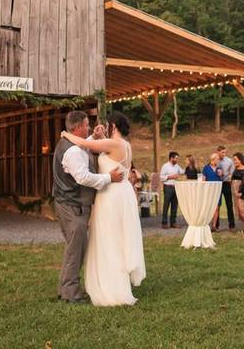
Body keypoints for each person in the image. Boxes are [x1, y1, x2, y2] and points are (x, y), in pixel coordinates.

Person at [62, 111, 146, 306]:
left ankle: (112, 288)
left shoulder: (113, 144)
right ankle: (116, 283)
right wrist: (100, 136)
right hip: (121, 193)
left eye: (108, 125)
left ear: (113, 126)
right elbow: (101, 148)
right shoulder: (124, 145)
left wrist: (66, 134)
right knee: (117, 238)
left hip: (111, 195)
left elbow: (83, 144)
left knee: (109, 239)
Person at [51, 110, 126, 304]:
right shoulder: (73, 151)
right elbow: (83, 177)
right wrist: (110, 178)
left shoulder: (73, 144)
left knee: (76, 247)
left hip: (69, 203)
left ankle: (66, 288)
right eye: (86, 125)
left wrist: (94, 137)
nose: (89, 127)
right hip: (72, 205)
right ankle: (70, 293)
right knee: (75, 249)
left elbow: (85, 146)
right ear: (77, 128)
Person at [159, 151, 183, 229]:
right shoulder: (165, 166)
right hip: (168, 187)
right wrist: (171, 177)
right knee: (166, 205)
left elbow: (182, 172)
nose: (177, 160)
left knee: (174, 205)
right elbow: (161, 177)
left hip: (175, 187)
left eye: (177, 158)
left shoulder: (177, 166)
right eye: (176, 158)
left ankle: (173, 223)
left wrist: (189, 165)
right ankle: (164, 223)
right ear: (171, 158)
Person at [215, 145, 236, 231]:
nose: (224, 154)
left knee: (229, 204)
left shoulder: (229, 161)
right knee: (217, 206)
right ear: (218, 152)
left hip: (226, 184)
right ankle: (216, 225)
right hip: (217, 184)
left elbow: (231, 173)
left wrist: (230, 179)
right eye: (222, 152)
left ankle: (231, 225)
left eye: (225, 152)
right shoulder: (214, 160)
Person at [202, 153, 222, 231]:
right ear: (213, 159)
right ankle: (206, 224)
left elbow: (221, 177)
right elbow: (203, 179)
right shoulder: (206, 168)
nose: (218, 160)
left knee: (216, 208)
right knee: (208, 207)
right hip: (208, 190)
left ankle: (214, 226)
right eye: (217, 159)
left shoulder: (219, 168)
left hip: (217, 190)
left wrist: (221, 174)